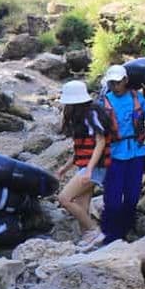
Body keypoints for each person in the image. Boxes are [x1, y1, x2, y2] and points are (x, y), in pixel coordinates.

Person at [98, 64, 145, 245]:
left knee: (132, 196)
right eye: (112, 83)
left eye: (118, 82)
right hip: (115, 154)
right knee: (113, 197)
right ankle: (109, 234)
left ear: (125, 81)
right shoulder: (104, 102)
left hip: (136, 152)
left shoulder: (136, 97)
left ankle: (126, 228)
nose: (115, 86)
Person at [54, 81, 112, 249]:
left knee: (64, 198)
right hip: (86, 166)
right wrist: (65, 168)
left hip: (95, 168)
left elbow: (100, 143)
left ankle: (95, 230)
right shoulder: (80, 117)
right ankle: (88, 240)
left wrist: (89, 170)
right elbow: (80, 149)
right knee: (81, 206)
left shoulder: (92, 114)